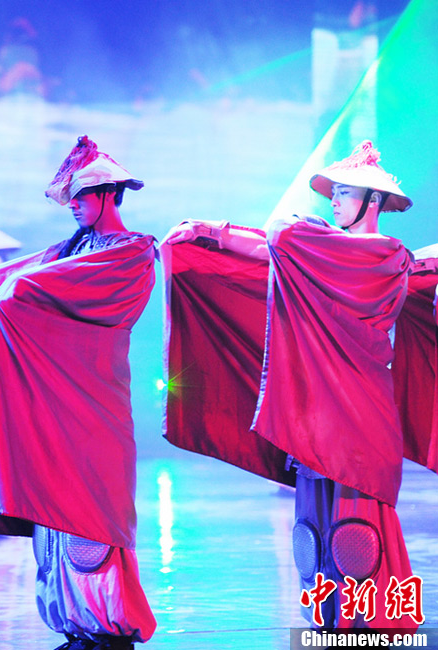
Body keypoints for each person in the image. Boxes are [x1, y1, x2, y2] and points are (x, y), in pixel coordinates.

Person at [161, 140, 420, 630]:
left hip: (359, 414)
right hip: (318, 409)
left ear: (372, 201)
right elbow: (271, 251)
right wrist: (211, 235)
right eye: (334, 193)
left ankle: (374, 629)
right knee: (313, 536)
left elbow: (283, 236)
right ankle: (332, 626)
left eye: (344, 193)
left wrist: (222, 230)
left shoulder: (385, 256)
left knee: (357, 536)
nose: (334, 201)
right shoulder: (322, 250)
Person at [0, 136, 158, 649]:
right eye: (71, 196)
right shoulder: (71, 249)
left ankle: (109, 623)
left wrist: (12, 294)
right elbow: (13, 273)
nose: (73, 204)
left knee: (92, 508)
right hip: (53, 395)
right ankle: (73, 622)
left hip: (93, 397)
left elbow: (30, 285)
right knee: (54, 503)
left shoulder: (132, 252)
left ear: (109, 194)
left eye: (82, 194)